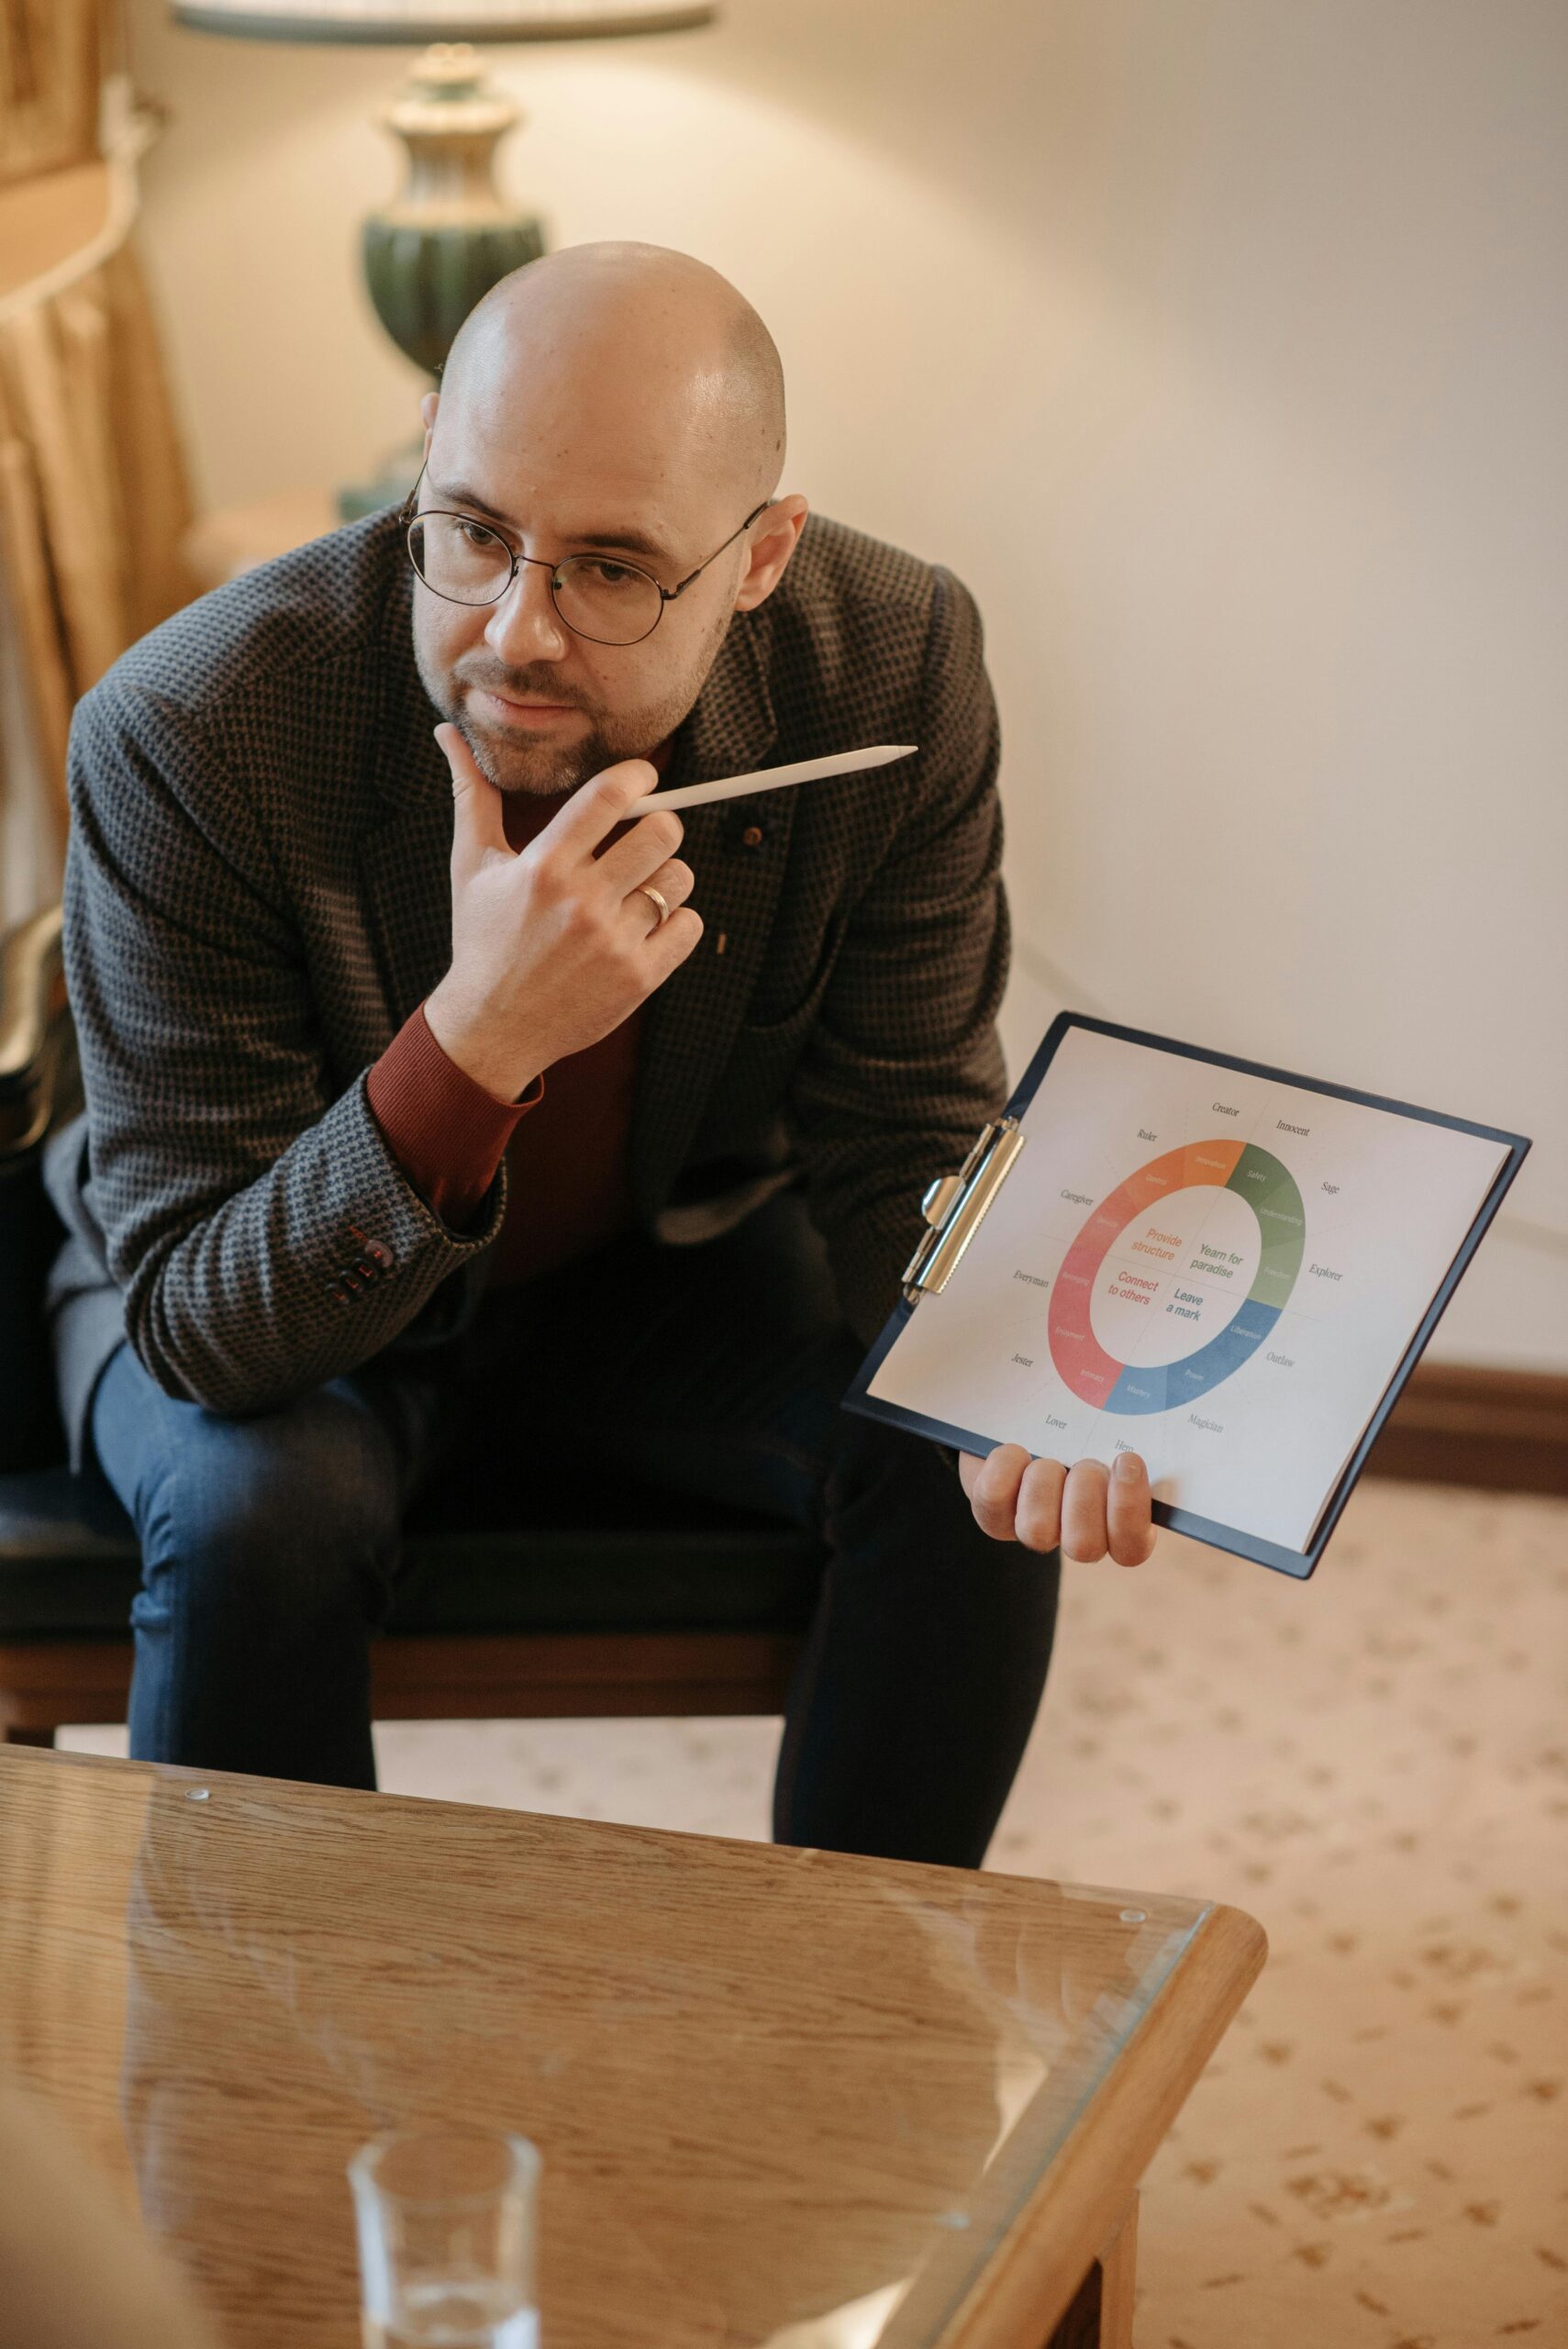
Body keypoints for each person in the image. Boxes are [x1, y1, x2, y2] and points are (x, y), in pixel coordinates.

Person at [45, 242, 1157, 1865]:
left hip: (663, 1259)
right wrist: (475, 1045)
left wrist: (1022, 1389)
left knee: (950, 1454)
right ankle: (252, 2097)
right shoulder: (190, 725)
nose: (518, 630)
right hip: (266, 1289)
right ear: (429, 448)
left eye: (614, 568)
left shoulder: (892, 661)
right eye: (474, 532)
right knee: (251, 1518)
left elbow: (901, 1132)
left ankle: (852, 2049)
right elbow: (208, 1331)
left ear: (762, 556)